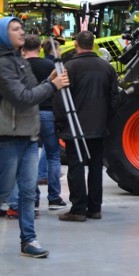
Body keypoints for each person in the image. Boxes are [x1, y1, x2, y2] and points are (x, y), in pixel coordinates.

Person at [0, 17, 70, 258]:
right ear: (4, 34)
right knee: (5, 187)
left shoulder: (19, 60)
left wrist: (48, 82)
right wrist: (53, 86)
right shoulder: (0, 64)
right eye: (15, 29)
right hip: (7, 134)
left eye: (21, 28)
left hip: (28, 133)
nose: (21, 32)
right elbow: (22, 97)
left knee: (28, 190)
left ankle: (28, 239)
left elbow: (30, 92)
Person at [56, 31, 119, 222]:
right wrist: (107, 119)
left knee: (75, 167)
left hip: (75, 127)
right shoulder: (107, 67)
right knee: (95, 167)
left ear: (76, 44)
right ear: (93, 44)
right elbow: (114, 98)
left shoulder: (69, 67)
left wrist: (60, 123)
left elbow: (61, 98)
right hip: (99, 127)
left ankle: (78, 209)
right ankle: (94, 207)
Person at [21, 35, 67, 210]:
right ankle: (54, 198)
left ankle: (33, 198)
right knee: (53, 156)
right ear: (40, 47)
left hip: (29, 114)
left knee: (31, 157)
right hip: (49, 113)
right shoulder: (50, 66)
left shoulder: (21, 67)